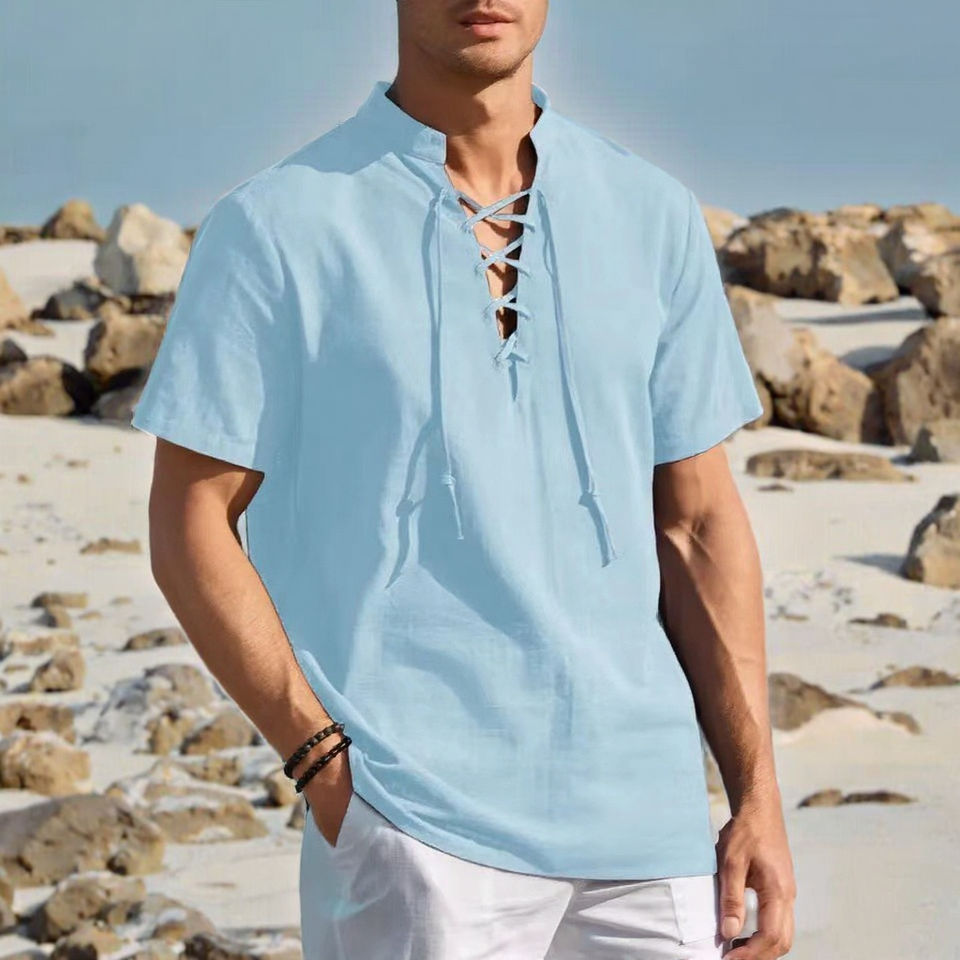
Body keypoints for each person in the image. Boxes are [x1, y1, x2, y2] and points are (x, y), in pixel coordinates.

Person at [132, 2, 796, 957]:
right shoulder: (275, 225)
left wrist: (756, 794)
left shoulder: (651, 214)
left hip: (653, 838)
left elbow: (695, 526)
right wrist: (324, 765)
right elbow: (190, 520)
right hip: (415, 828)